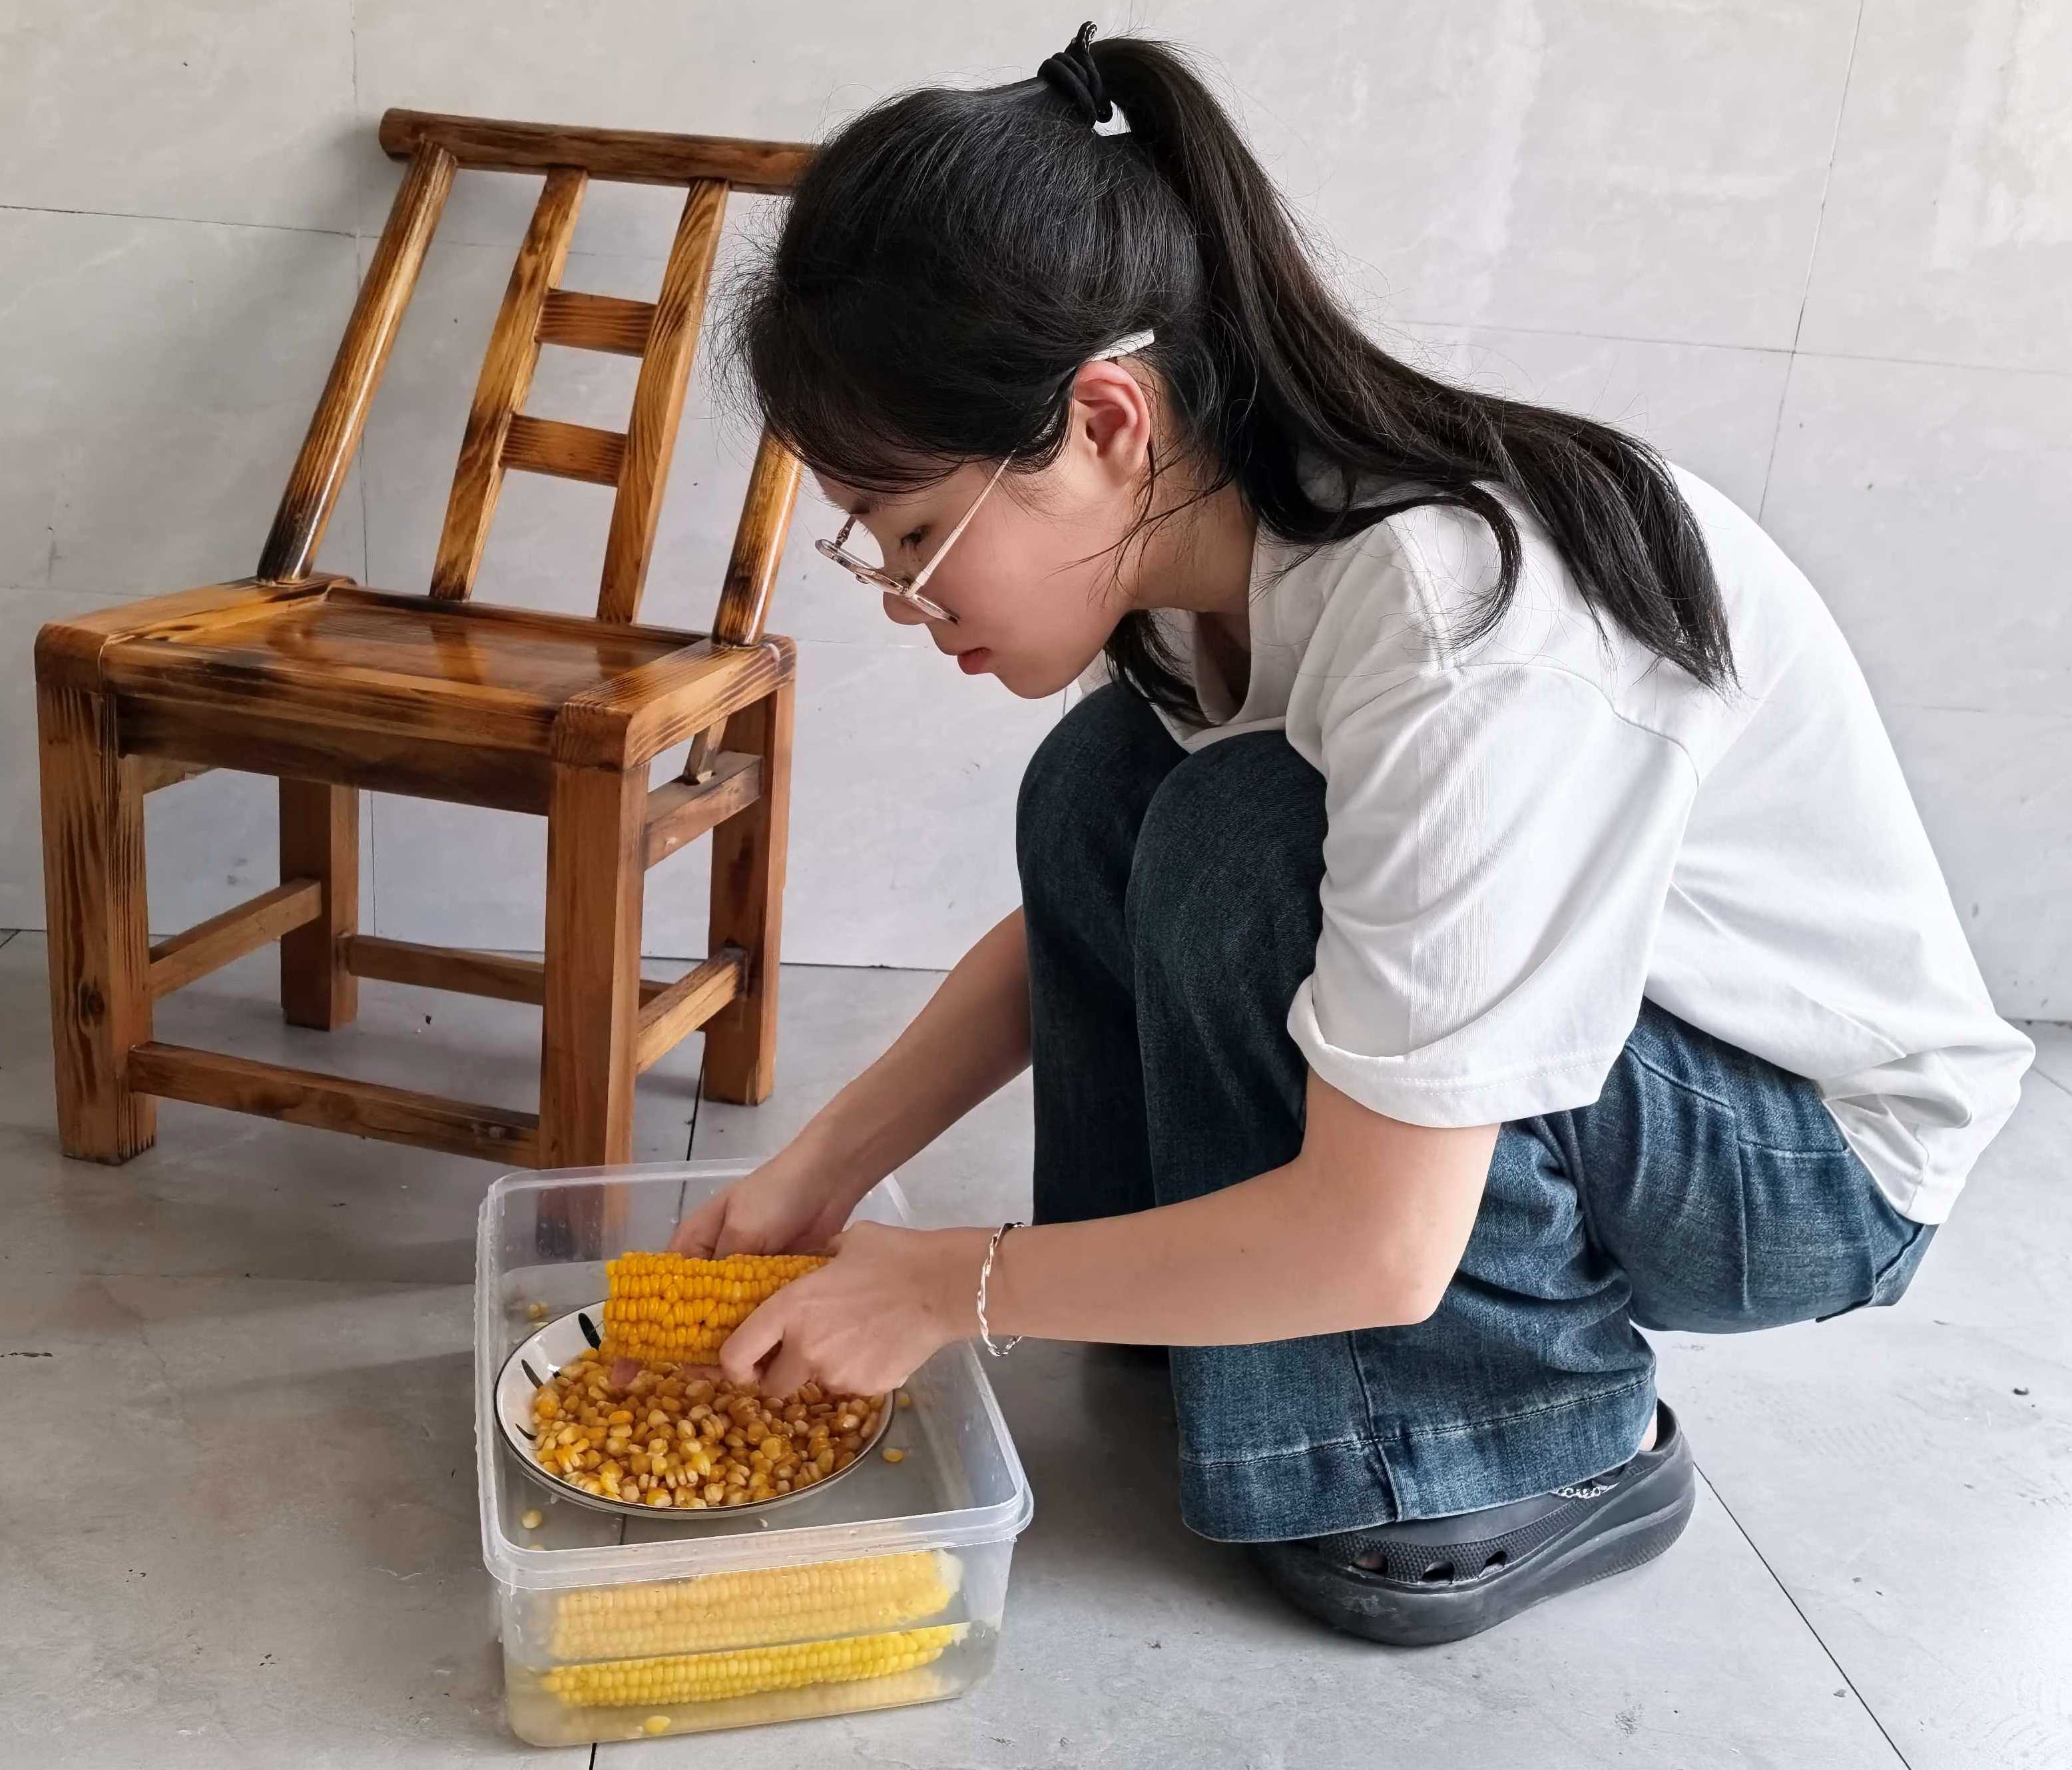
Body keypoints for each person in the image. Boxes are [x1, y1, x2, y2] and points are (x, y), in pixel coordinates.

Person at [671, 22, 2035, 1645]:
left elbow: (1379, 1243)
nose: (903, 598)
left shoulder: (1461, 631)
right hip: (1621, 1069)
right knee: (1105, 786)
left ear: (1104, 423)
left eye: (911, 533)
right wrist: (821, 1173)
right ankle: (1187, 1311)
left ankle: (1522, 1435)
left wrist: (946, 1282)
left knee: (1243, 839)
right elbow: (1075, 925)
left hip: (1801, 1163)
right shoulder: (1206, 565)